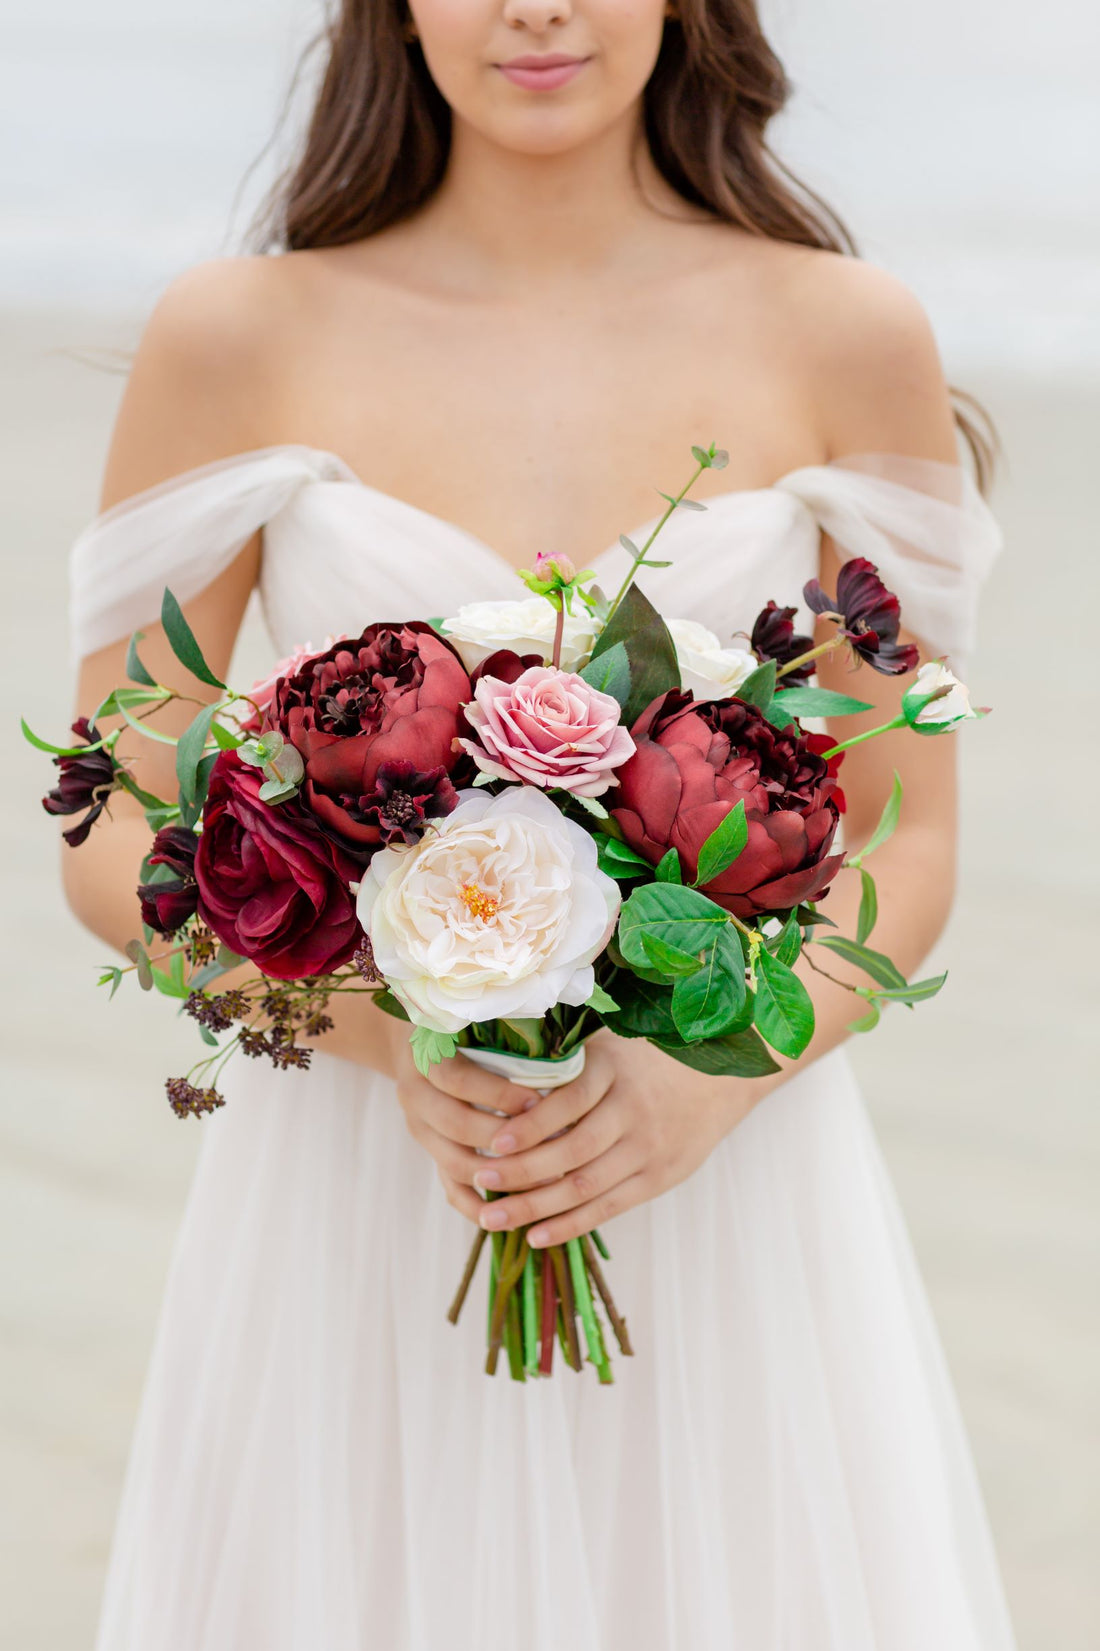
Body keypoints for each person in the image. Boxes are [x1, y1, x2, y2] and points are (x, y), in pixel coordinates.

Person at [62, 1, 1018, 1646]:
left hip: (725, 1188)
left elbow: (908, 831)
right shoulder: (239, 338)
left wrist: (709, 1083)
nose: (536, 8)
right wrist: (383, 1045)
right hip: (354, 1203)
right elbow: (113, 826)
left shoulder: (844, 335)